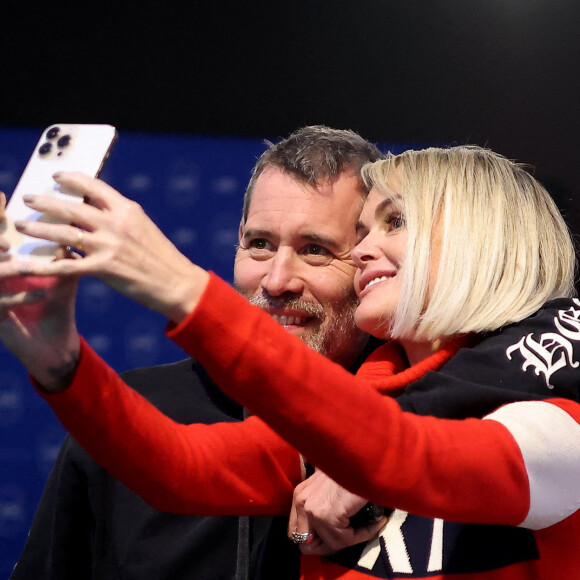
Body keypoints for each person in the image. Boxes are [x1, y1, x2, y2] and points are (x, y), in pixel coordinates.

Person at [1, 145, 579, 578]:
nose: (363, 251)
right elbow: (182, 468)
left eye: (394, 222)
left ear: (481, 242)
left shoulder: (560, 422)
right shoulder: (363, 407)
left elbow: (405, 454)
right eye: (362, 230)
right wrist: (59, 360)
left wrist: (181, 288)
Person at [2, 126, 385, 580]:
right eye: (260, 244)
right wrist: (56, 358)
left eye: (315, 250)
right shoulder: (128, 408)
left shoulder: (419, 413)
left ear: (371, 261)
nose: (277, 281)